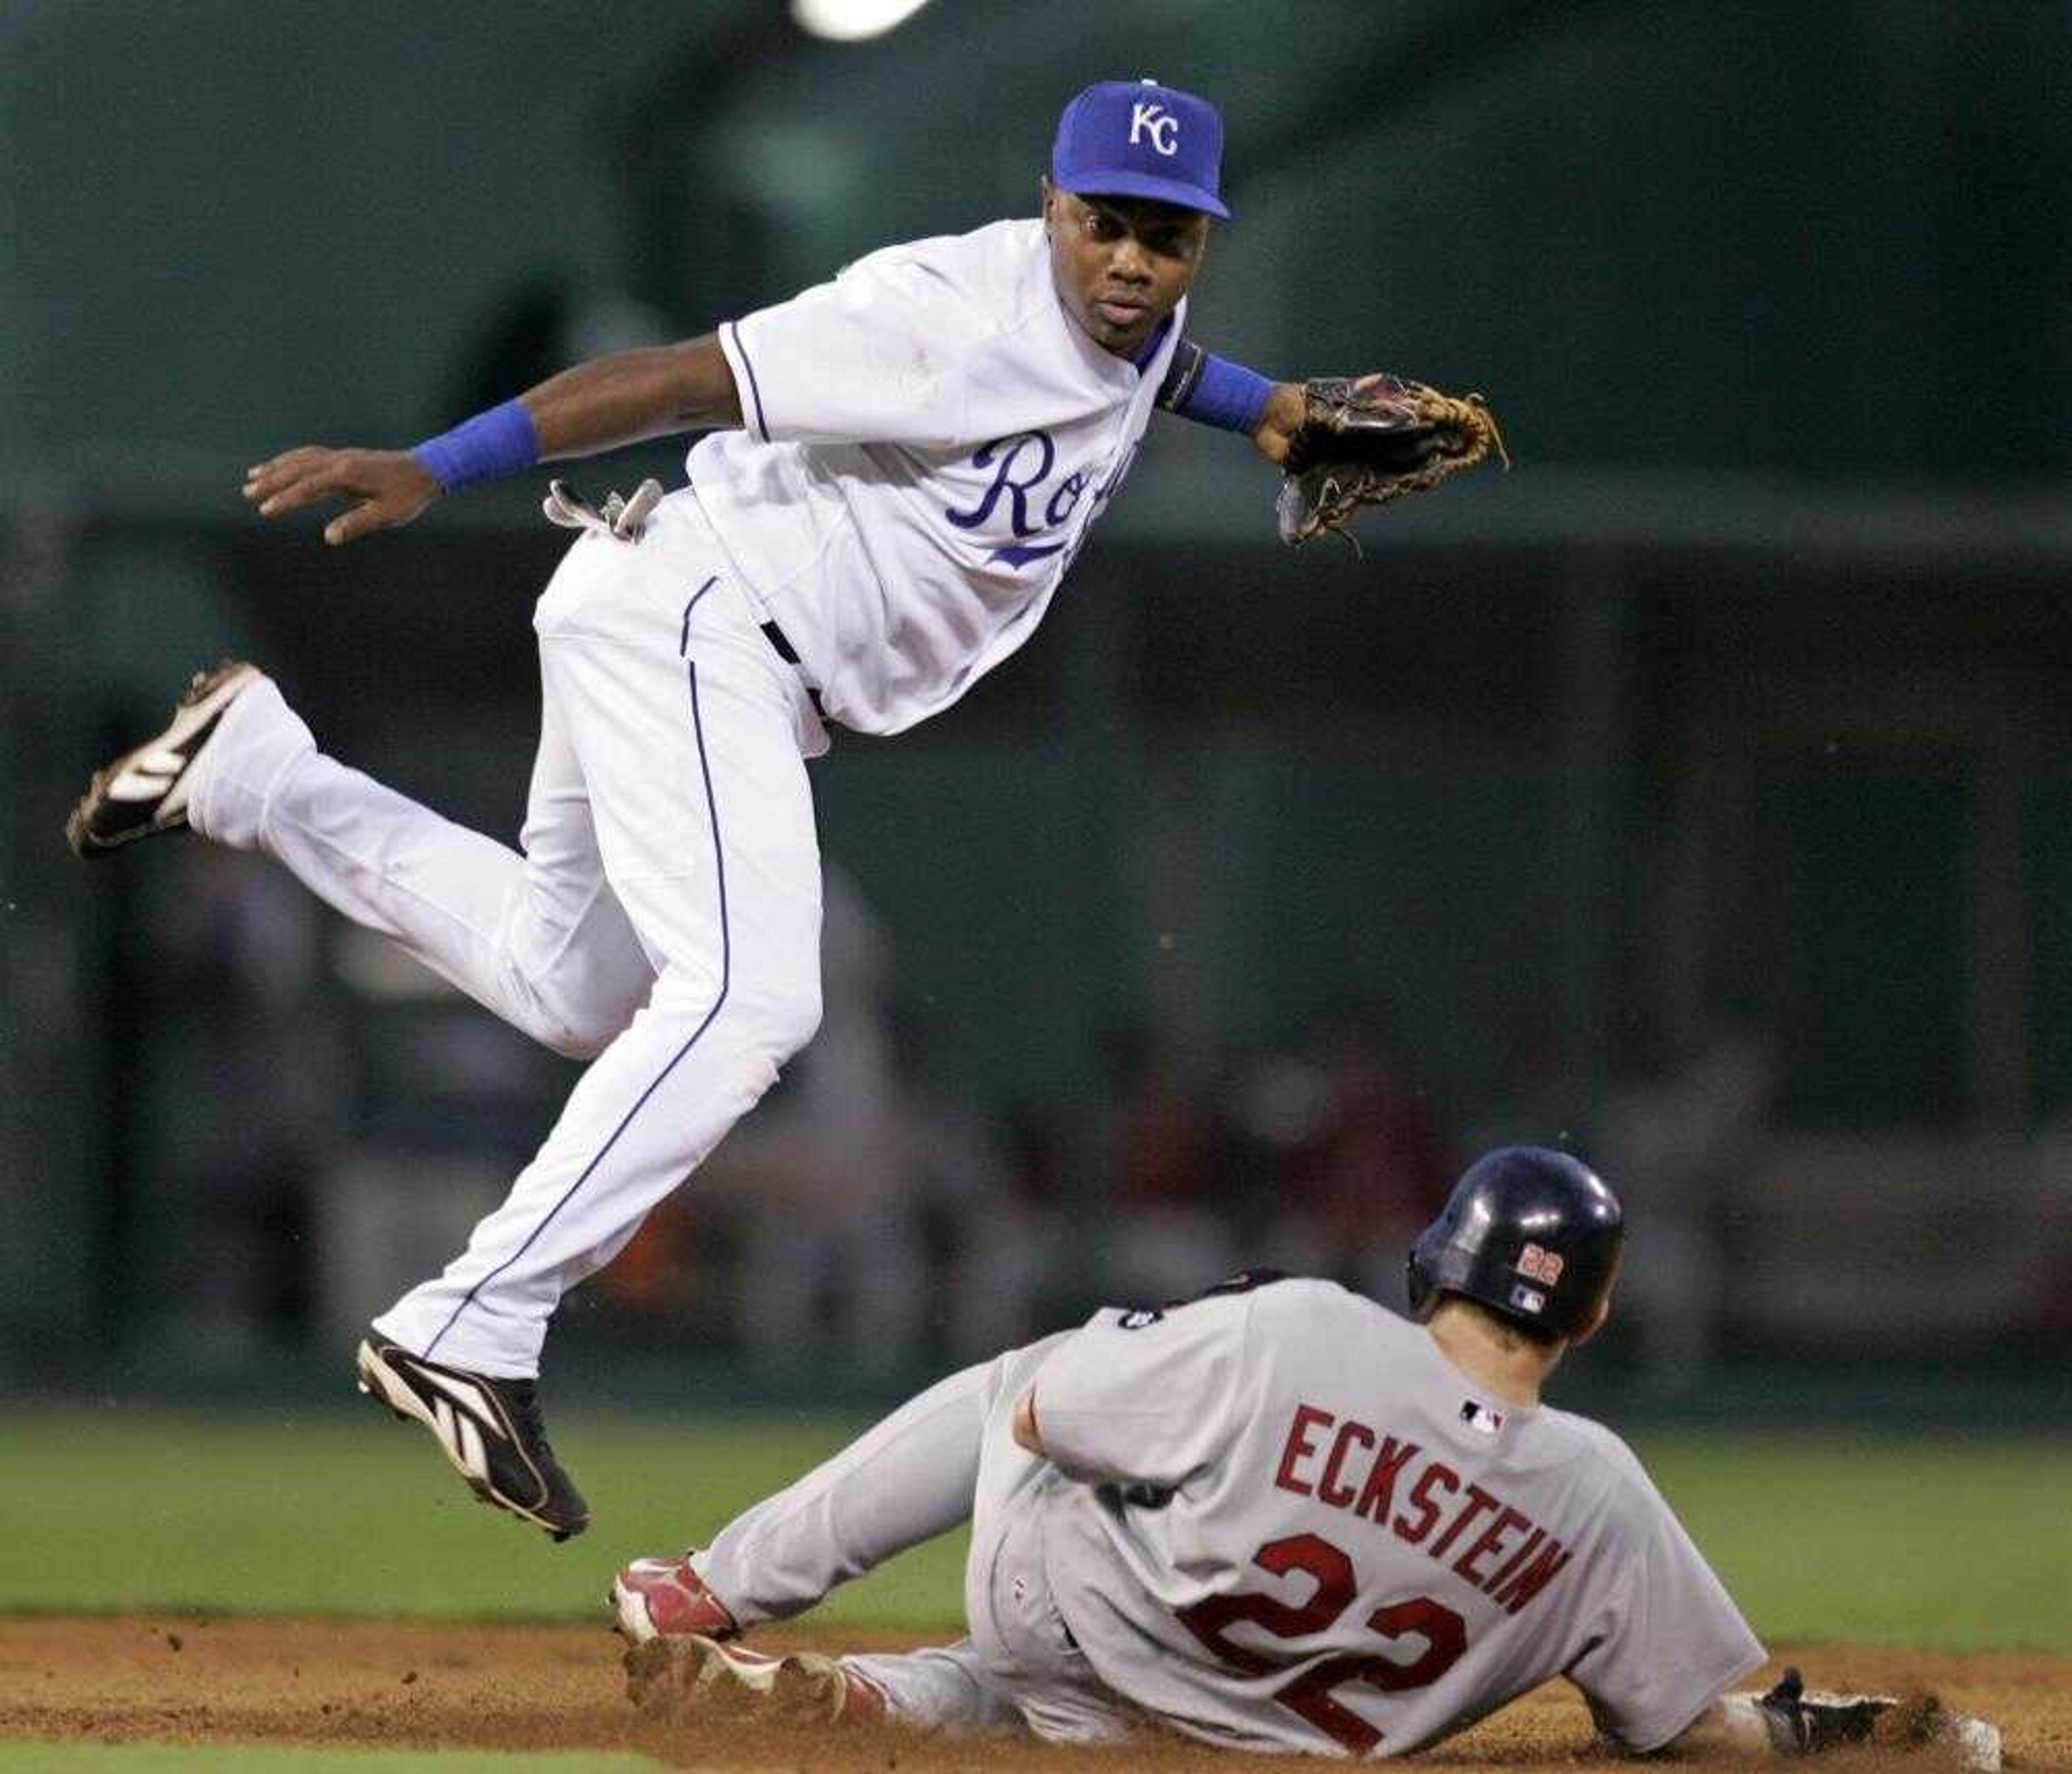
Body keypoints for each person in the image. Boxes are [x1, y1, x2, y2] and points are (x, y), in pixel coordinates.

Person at [63, 79, 1313, 1541]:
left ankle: (252, 772)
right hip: (707, 621)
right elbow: (674, 379)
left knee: (570, 977)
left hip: (684, 627)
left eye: (1167, 237)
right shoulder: (941, 315)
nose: (1130, 262)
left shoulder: (1136, 326)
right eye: (1104, 224)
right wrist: (435, 468)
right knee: (750, 1000)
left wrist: (1280, 412)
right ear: (1051, 204)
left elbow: (1158, 366)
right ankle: (469, 1322)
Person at [609, 1148, 2000, 1765]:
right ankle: (851, 1705)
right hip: (1247, 1741)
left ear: (1438, 1254)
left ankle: (717, 1598)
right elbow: (1686, 1729)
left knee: (1020, 1381)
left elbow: (1043, 1418)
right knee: (1073, 1706)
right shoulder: (1602, 1500)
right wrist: (1867, 1735)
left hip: (1074, 1624)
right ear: (1593, 1312)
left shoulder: (1305, 1329)